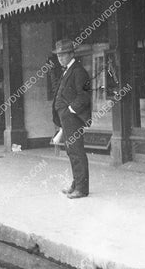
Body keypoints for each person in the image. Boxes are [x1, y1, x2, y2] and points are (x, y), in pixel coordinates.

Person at [51, 39, 92, 199]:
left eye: (63, 54)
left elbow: (84, 95)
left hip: (73, 118)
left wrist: (69, 110)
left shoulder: (78, 71)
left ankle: (82, 188)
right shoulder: (67, 70)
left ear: (71, 54)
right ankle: (77, 184)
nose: (60, 58)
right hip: (66, 119)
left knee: (76, 151)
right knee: (71, 151)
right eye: (58, 55)